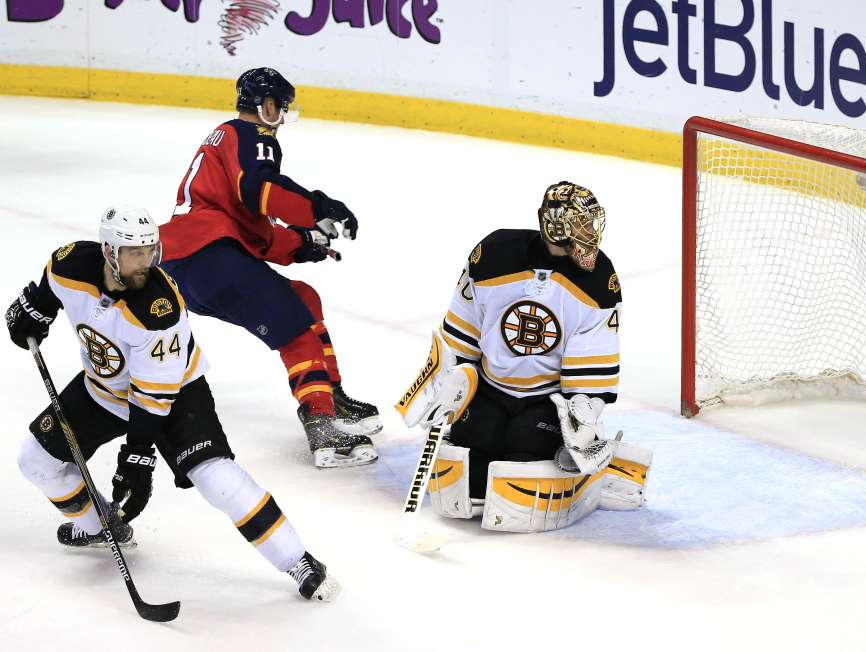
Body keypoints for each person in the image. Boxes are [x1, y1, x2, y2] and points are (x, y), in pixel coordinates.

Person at [6, 205, 339, 601]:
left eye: (150, 250)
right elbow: (46, 290)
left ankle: (298, 560)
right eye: (135, 253)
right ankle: (98, 525)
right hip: (103, 391)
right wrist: (31, 312)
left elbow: (153, 397)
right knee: (35, 460)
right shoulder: (70, 263)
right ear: (109, 251)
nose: (146, 261)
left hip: (176, 395)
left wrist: (137, 456)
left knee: (216, 478)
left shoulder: (158, 309)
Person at [396, 182, 652, 533]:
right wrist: (445, 383)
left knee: (518, 464)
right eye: (582, 223)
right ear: (556, 225)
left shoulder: (598, 280)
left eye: (592, 223)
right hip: (490, 389)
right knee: (471, 481)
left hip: (547, 400)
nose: (591, 232)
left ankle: (596, 469)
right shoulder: (493, 254)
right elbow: (463, 331)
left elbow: (593, 363)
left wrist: (583, 419)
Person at [158, 67, 380, 468]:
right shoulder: (253, 135)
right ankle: (322, 422)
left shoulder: (222, 140)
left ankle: (332, 395)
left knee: (302, 298)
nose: (282, 116)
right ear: (268, 105)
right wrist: (319, 207)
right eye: (282, 106)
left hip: (188, 268)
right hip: (212, 257)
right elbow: (260, 190)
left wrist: (301, 243)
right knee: (296, 330)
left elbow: (248, 226)